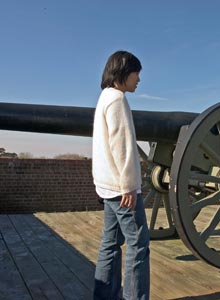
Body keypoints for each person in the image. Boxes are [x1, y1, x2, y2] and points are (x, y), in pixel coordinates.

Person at [92, 50, 150, 300]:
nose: (138, 79)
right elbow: (122, 146)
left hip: (106, 186)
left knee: (110, 245)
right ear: (124, 72)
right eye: (136, 73)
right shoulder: (118, 100)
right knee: (138, 246)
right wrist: (128, 185)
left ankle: (104, 296)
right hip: (121, 189)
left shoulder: (104, 97)